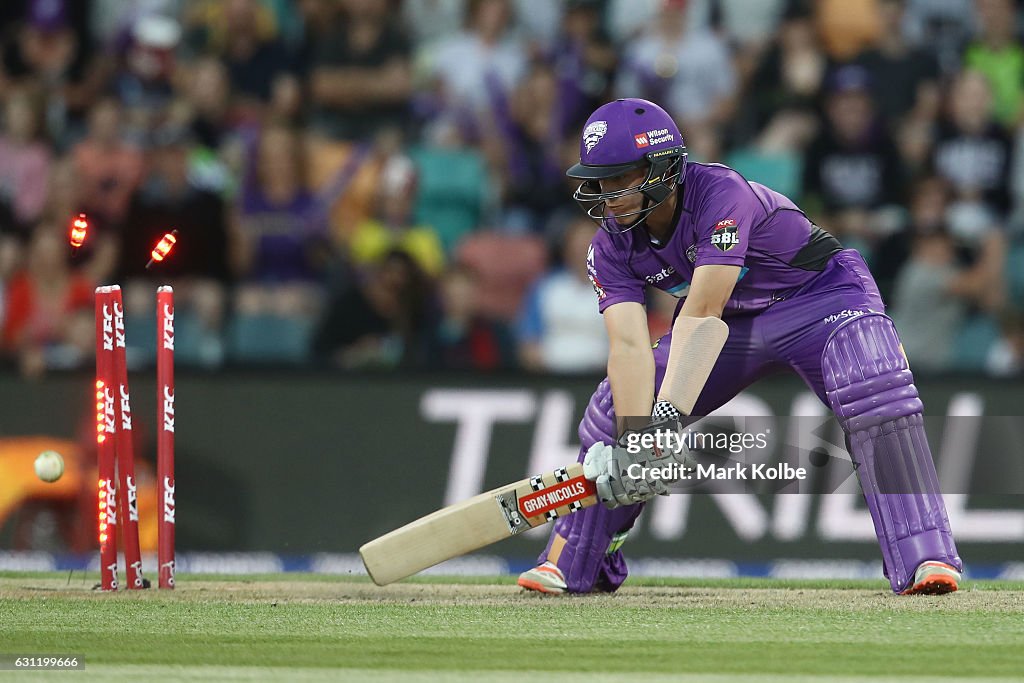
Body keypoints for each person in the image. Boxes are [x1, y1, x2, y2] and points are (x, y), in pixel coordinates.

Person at [517, 98, 962, 596]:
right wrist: (634, 437)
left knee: (873, 380)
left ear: (664, 167)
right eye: (601, 181)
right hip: (735, 321)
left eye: (622, 177)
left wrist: (662, 421)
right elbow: (627, 345)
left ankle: (925, 557)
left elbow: (702, 313)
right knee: (609, 416)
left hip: (818, 296)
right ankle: (576, 561)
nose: (609, 194)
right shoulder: (609, 245)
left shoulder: (720, 193)